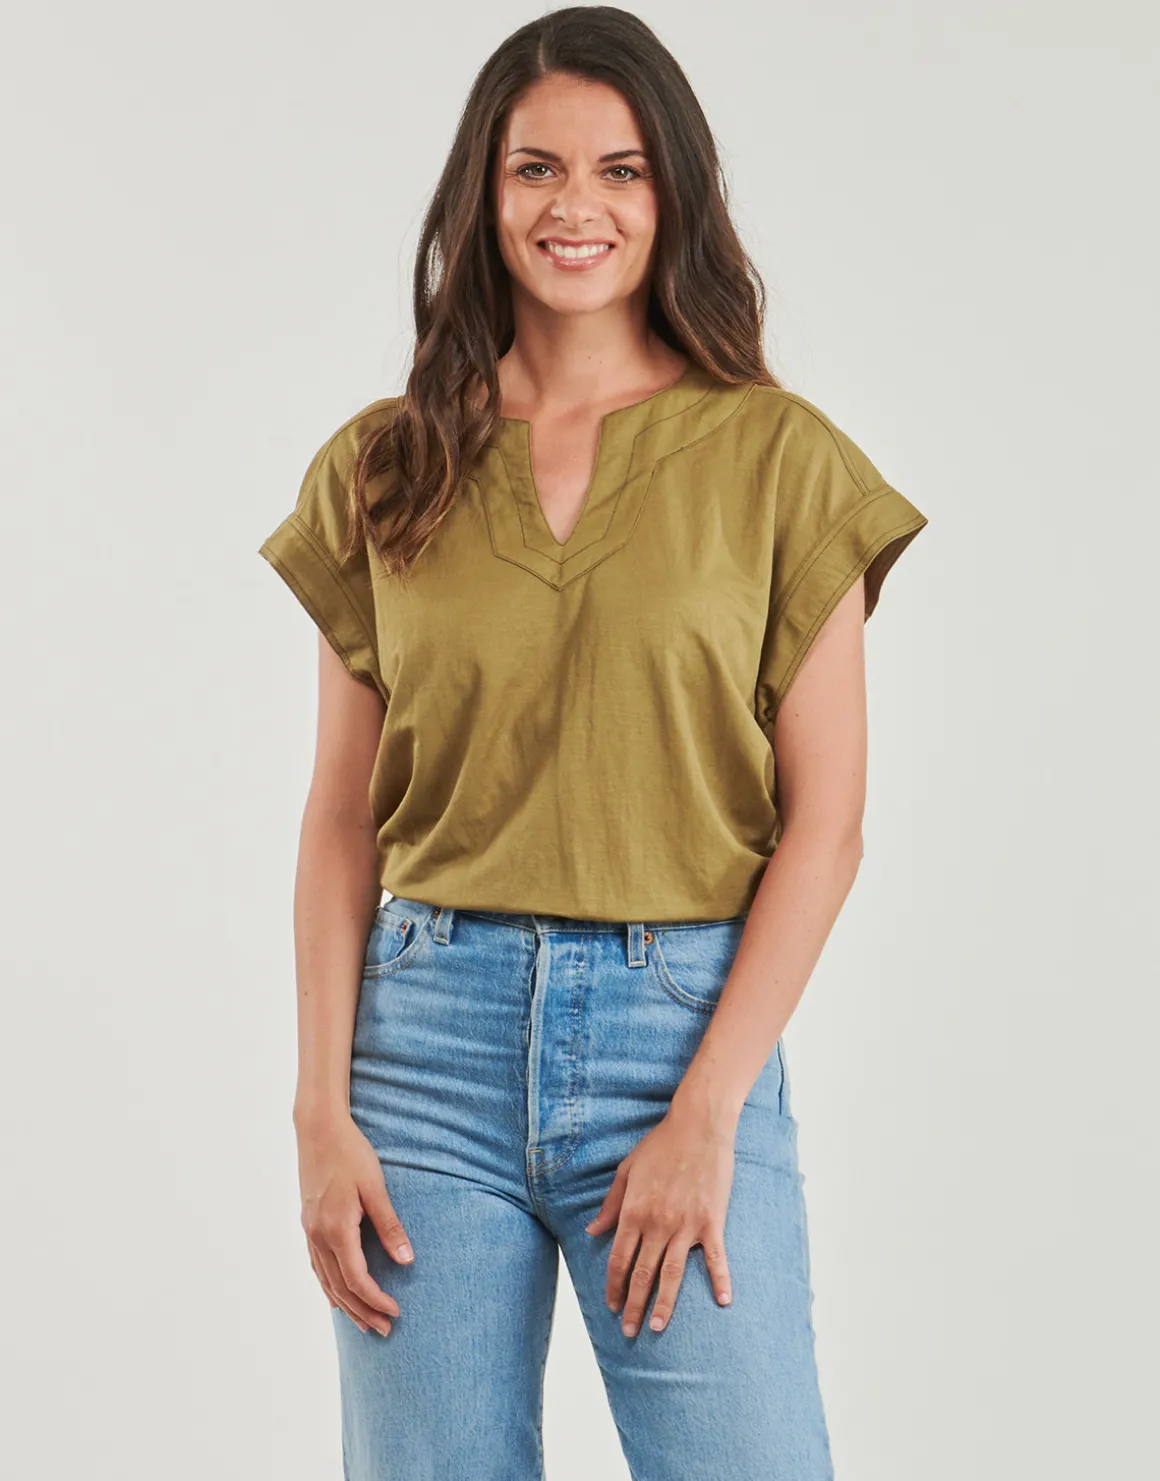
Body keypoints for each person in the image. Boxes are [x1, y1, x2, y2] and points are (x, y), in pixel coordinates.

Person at [257, 8, 927, 1478]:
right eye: (538, 168)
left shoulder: (780, 459)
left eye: (622, 170)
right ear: (483, 195)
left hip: (676, 1033)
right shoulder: (385, 465)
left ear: (673, 192)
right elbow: (341, 818)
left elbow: (828, 826)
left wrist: (708, 1108)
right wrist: (318, 1108)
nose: (579, 207)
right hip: (422, 1055)